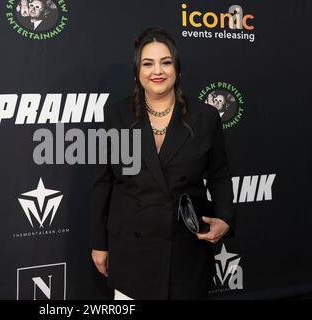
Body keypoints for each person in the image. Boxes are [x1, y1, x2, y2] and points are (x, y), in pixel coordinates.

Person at [90, 27, 235, 300]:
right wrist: (99, 243)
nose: (158, 71)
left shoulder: (205, 117)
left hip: (185, 250)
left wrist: (225, 217)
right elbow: (103, 181)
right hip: (131, 251)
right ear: (137, 72)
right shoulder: (115, 116)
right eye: (148, 63)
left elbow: (220, 173)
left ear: (177, 69)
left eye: (166, 62)